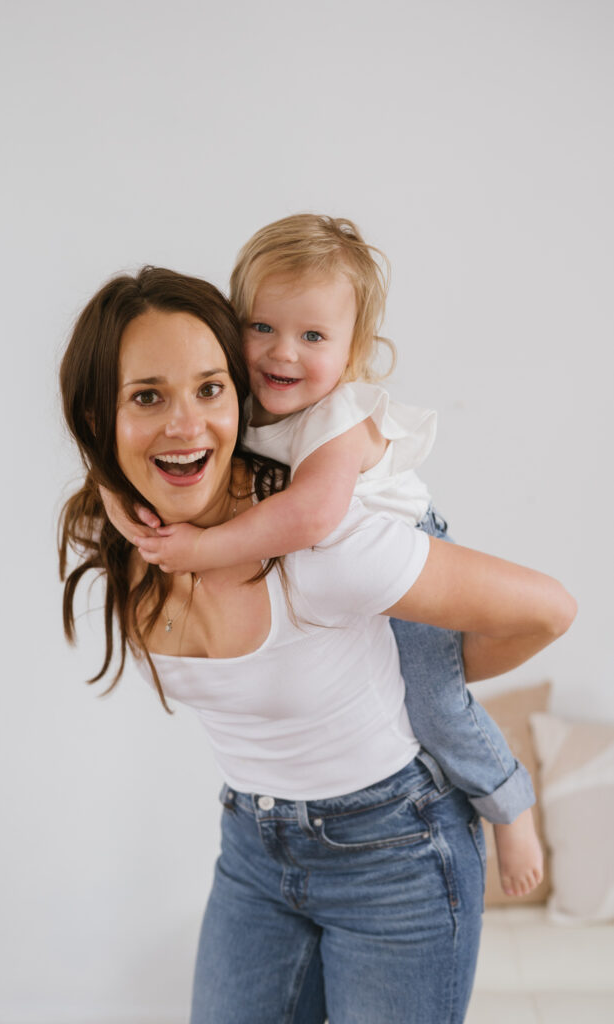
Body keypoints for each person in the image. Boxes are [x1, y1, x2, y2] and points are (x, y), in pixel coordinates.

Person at [59, 266, 576, 1024]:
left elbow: (547, 610)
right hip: (252, 851)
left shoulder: (326, 546)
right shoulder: (124, 532)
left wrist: (419, 675)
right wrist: (114, 482)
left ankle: (507, 802)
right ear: (98, 417)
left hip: (395, 854)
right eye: (147, 396)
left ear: (239, 394)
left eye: (210, 389)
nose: (185, 424)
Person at [118, 216, 541, 898]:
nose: (282, 353)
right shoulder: (238, 402)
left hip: (409, 550)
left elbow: (311, 516)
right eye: (262, 327)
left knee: (433, 703)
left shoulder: (339, 418)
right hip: (262, 822)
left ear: (352, 352)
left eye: (312, 336)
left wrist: (202, 547)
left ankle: (507, 803)